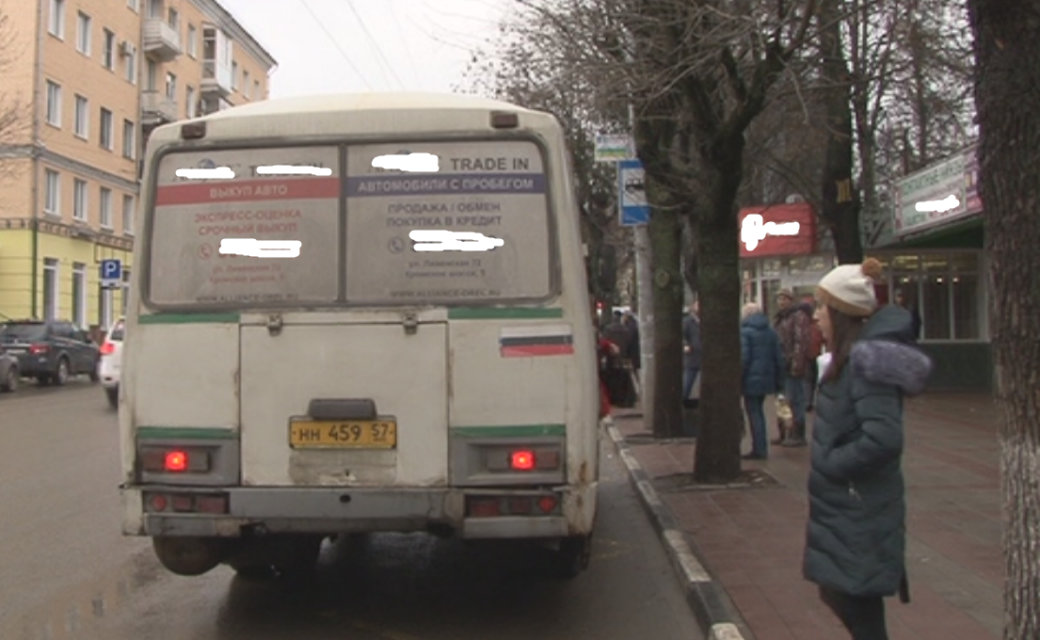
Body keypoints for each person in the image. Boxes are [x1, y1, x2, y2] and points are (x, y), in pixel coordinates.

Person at [803, 258, 933, 640]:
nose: (816, 317)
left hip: (859, 506)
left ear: (840, 313)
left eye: (822, 308)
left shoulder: (864, 363)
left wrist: (831, 462)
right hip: (846, 508)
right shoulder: (846, 359)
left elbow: (884, 437)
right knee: (842, 595)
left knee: (856, 603)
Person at [739, 302, 785, 460]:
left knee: (754, 413)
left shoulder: (745, 332)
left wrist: (739, 378)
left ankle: (759, 448)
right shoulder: (771, 332)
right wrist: (779, 380)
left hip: (750, 379)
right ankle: (761, 446)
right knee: (759, 412)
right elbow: (778, 357)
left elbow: (744, 359)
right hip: (766, 378)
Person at [773, 288, 814, 446]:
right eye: (779, 299)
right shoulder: (780, 318)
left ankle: (798, 434)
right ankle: (783, 432)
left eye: (785, 299)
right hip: (781, 365)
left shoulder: (798, 316)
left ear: (791, 300)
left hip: (792, 365)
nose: (781, 302)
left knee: (795, 399)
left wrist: (796, 363)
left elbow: (801, 341)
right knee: (782, 400)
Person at [681, 300, 702, 409]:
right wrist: (685, 345)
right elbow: (682, 335)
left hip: (704, 357)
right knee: (688, 381)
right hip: (692, 356)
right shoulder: (687, 322)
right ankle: (682, 402)